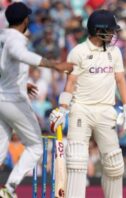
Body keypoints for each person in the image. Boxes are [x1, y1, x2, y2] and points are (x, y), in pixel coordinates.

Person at [49, 9, 126, 198]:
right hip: (81, 109)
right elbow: (70, 82)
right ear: (99, 30)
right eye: (111, 30)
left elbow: (121, 80)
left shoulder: (114, 53)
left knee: (114, 164)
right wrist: (62, 109)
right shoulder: (78, 52)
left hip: (106, 110)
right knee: (76, 161)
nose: (114, 34)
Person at [0, 2, 73, 198]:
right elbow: (21, 55)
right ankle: (9, 189)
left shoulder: (2, 37)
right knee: (35, 146)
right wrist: (55, 65)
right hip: (13, 100)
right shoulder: (16, 40)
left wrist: (21, 84)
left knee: (0, 149)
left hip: (2, 99)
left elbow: (5, 66)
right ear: (25, 21)